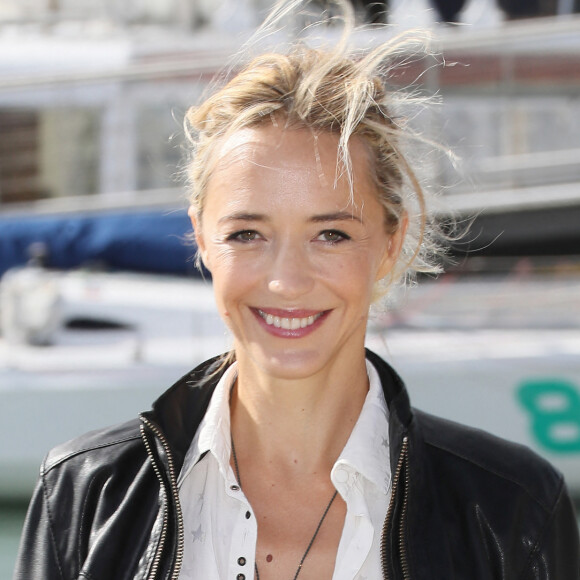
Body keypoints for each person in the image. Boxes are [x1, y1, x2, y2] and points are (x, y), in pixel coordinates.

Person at [14, 2, 579, 579]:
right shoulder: (82, 497)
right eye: (247, 234)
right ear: (202, 241)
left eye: (331, 234)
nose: (286, 280)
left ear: (391, 243)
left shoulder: (515, 511)